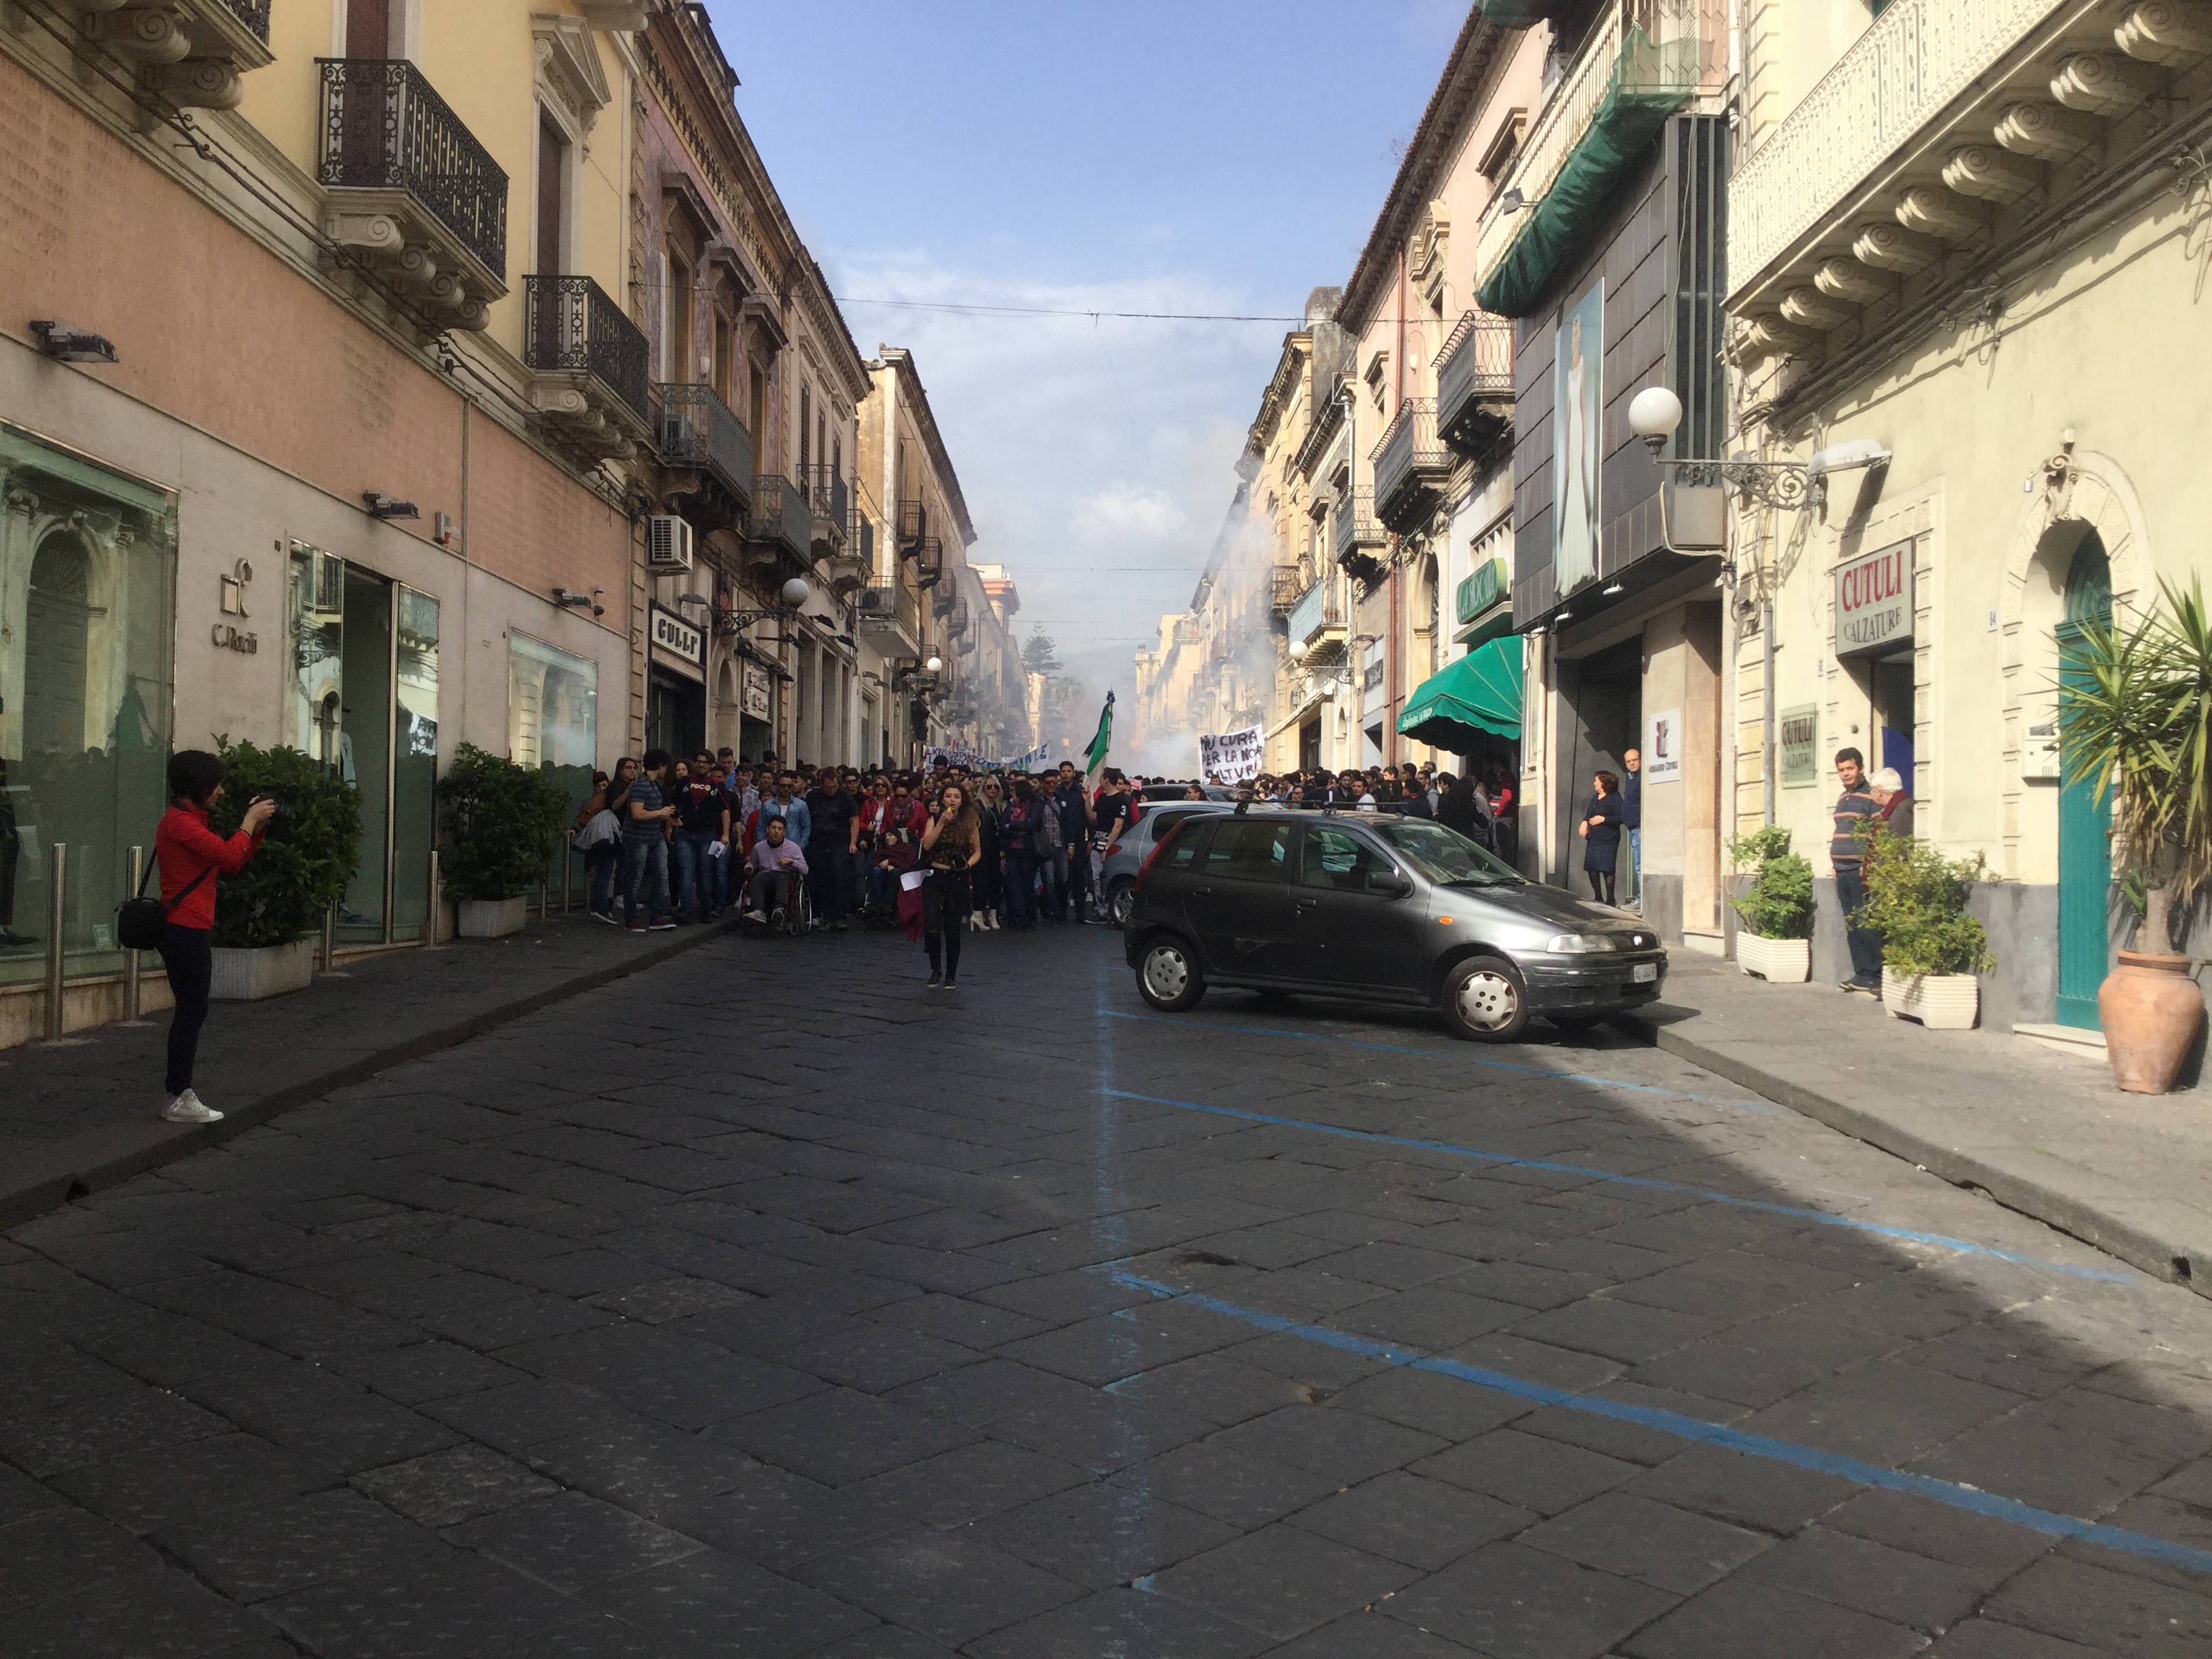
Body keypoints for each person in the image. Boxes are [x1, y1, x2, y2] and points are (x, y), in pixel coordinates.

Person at [152, 750, 275, 1122]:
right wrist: (249, 821)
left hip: (191, 925)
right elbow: (225, 854)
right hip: (183, 927)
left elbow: (233, 860)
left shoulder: (189, 820)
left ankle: (180, 1092)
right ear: (198, 786)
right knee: (191, 1011)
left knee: (193, 1009)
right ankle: (179, 1095)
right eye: (216, 784)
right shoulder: (180, 824)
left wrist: (256, 829)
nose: (221, 791)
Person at [919, 781, 982, 989]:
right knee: (932, 925)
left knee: (953, 928)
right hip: (934, 876)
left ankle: (951, 974)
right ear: (942, 799)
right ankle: (936, 969)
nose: (952, 800)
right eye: (948, 796)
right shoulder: (934, 818)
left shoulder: (969, 821)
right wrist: (941, 823)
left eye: (956, 797)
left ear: (962, 800)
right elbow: (927, 844)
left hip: (957, 878)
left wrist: (967, 865)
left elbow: (977, 851)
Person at [1833, 748, 1883, 991]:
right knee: (1851, 923)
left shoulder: (1870, 797)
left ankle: (1874, 974)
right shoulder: (1843, 798)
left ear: (1861, 768)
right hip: (1841, 869)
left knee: (1866, 921)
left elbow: (1878, 832)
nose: (1846, 774)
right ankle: (1860, 973)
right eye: (1841, 770)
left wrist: (1870, 864)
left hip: (1860, 870)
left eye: (1850, 769)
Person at [623, 749, 679, 932]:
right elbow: (637, 813)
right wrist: (661, 813)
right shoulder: (641, 784)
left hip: (655, 836)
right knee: (635, 878)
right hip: (638, 838)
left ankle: (657, 916)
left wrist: (668, 817)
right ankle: (630, 917)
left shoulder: (655, 785)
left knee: (662, 875)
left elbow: (651, 813)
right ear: (661, 765)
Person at [804, 766, 857, 932]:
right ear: (821, 784)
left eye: (834, 787)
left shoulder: (845, 798)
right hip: (817, 843)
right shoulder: (812, 797)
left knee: (839, 878)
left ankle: (839, 917)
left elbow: (854, 821)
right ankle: (824, 916)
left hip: (839, 843)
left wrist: (853, 843)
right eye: (828, 788)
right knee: (820, 879)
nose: (832, 791)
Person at [578, 763, 632, 922]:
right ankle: (601, 905)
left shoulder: (601, 796)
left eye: (604, 784)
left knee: (607, 871)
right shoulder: (612, 791)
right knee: (606, 870)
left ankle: (602, 904)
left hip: (604, 837)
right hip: (606, 837)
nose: (602, 788)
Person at [744, 815, 808, 928]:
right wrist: (749, 867)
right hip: (765, 874)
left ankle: (779, 910)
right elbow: (753, 864)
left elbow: (805, 870)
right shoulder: (759, 847)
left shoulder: (793, 847)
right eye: (773, 828)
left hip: (784, 875)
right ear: (768, 829)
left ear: (784, 832)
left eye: (780, 829)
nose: (776, 832)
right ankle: (759, 911)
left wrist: (791, 861)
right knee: (756, 879)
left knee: (782, 878)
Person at [1003, 778, 1045, 931]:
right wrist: (1015, 829)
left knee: (1027, 884)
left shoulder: (1035, 806)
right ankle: (1017, 916)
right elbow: (1003, 826)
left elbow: (1031, 824)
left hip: (1028, 851)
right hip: (1012, 850)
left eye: (1014, 792)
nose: (1012, 795)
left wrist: (1012, 825)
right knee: (1014, 885)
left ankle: (1029, 916)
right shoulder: (1009, 808)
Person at [1578, 769, 1624, 905]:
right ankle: (1598, 896)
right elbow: (1589, 813)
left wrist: (1604, 819)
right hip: (1594, 838)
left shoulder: (1614, 797)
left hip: (1608, 839)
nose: (1594, 784)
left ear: (1604, 782)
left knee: (1607, 868)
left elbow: (1620, 817)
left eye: (1596, 781)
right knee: (1592, 868)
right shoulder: (1595, 797)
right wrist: (1584, 822)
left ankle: (1611, 899)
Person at [970, 775, 1006, 931]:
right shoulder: (978, 805)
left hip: (995, 848)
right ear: (983, 788)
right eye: (989, 786)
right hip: (981, 847)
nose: (992, 789)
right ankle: (977, 914)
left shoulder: (999, 806)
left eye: (995, 787)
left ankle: (992, 914)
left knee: (995, 882)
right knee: (980, 882)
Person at [1621, 747, 1643, 907]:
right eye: (1628, 762)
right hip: (1632, 827)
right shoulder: (1629, 777)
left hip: (1640, 827)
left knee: (1639, 865)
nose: (1632, 764)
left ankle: (1641, 898)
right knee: (1637, 863)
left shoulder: (1641, 778)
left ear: (1640, 760)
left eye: (1634, 760)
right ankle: (1639, 897)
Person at [1870, 766, 1914, 840]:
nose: (1870, 792)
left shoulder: (1901, 811)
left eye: (1871, 789)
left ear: (1879, 791)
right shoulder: (1898, 806)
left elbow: (1900, 846)